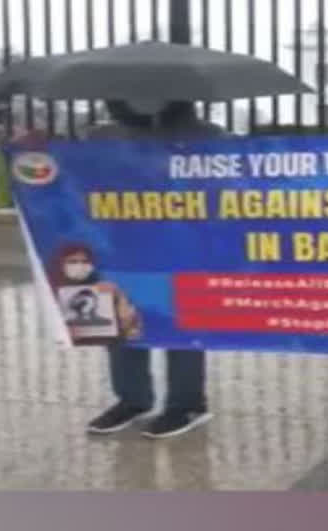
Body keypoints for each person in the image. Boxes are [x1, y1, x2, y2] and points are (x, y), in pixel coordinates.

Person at [83, 99, 225, 439]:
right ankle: (132, 399)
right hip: (121, 242)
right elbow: (75, 181)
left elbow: (228, 185)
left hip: (186, 243)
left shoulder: (205, 135)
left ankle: (187, 403)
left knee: (183, 326)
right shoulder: (102, 137)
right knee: (122, 323)